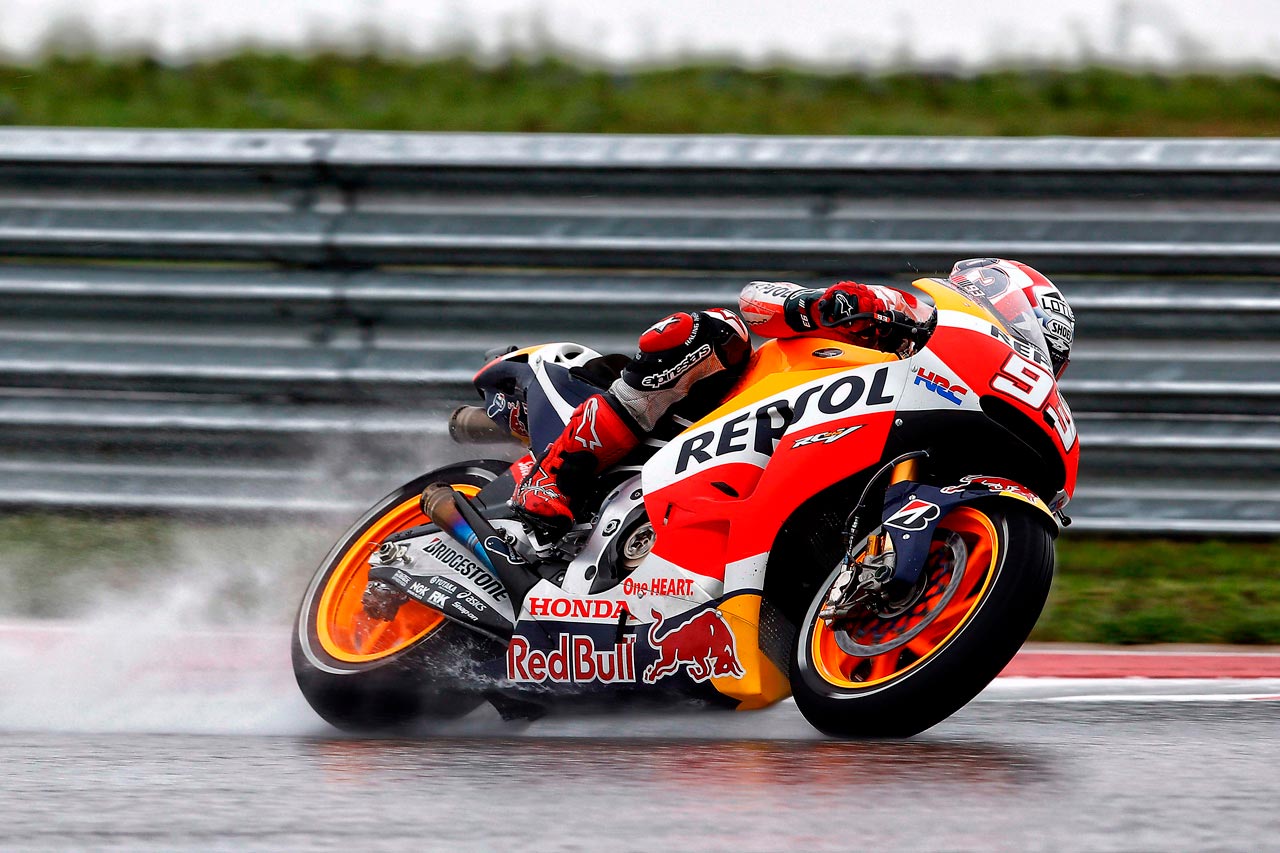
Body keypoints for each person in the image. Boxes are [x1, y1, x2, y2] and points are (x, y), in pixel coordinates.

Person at [512, 257, 1074, 539]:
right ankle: (556, 475)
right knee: (712, 332)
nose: (1031, 356)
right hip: (726, 411)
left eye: (1045, 354)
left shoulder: (957, 400)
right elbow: (759, 299)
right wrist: (824, 307)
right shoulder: (901, 319)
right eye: (1028, 334)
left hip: (813, 463)